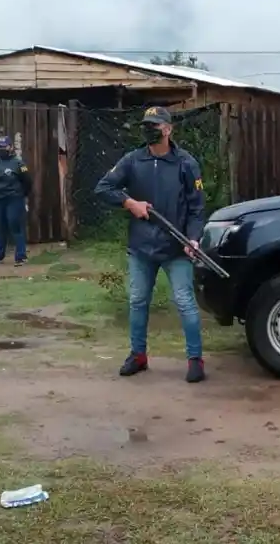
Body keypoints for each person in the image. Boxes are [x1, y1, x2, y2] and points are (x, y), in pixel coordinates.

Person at [94, 106, 207, 383]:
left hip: (176, 247)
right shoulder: (133, 161)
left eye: (155, 125)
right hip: (141, 246)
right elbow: (103, 188)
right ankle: (138, 355)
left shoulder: (186, 163)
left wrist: (193, 238)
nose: (149, 130)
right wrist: (130, 203)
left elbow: (197, 208)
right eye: (146, 125)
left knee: (184, 301)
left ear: (168, 129)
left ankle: (195, 359)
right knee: (138, 300)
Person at [0, 136, 31, 266]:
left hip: (14, 198)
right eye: (0, 147)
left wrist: (23, 195)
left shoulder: (18, 164)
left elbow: (27, 181)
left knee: (15, 224)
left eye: (4, 146)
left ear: (11, 147)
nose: (2, 149)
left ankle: (21, 256)